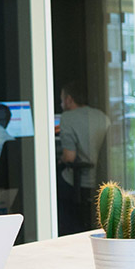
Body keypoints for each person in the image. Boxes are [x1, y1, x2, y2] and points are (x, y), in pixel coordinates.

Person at [56, 81, 110, 235]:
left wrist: (59, 160)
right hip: (101, 179)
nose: (61, 103)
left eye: (61, 99)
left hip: (81, 181)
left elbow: (69, 157)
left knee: (51, 184)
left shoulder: (67, 117)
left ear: (69, 99)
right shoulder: (102, 116)